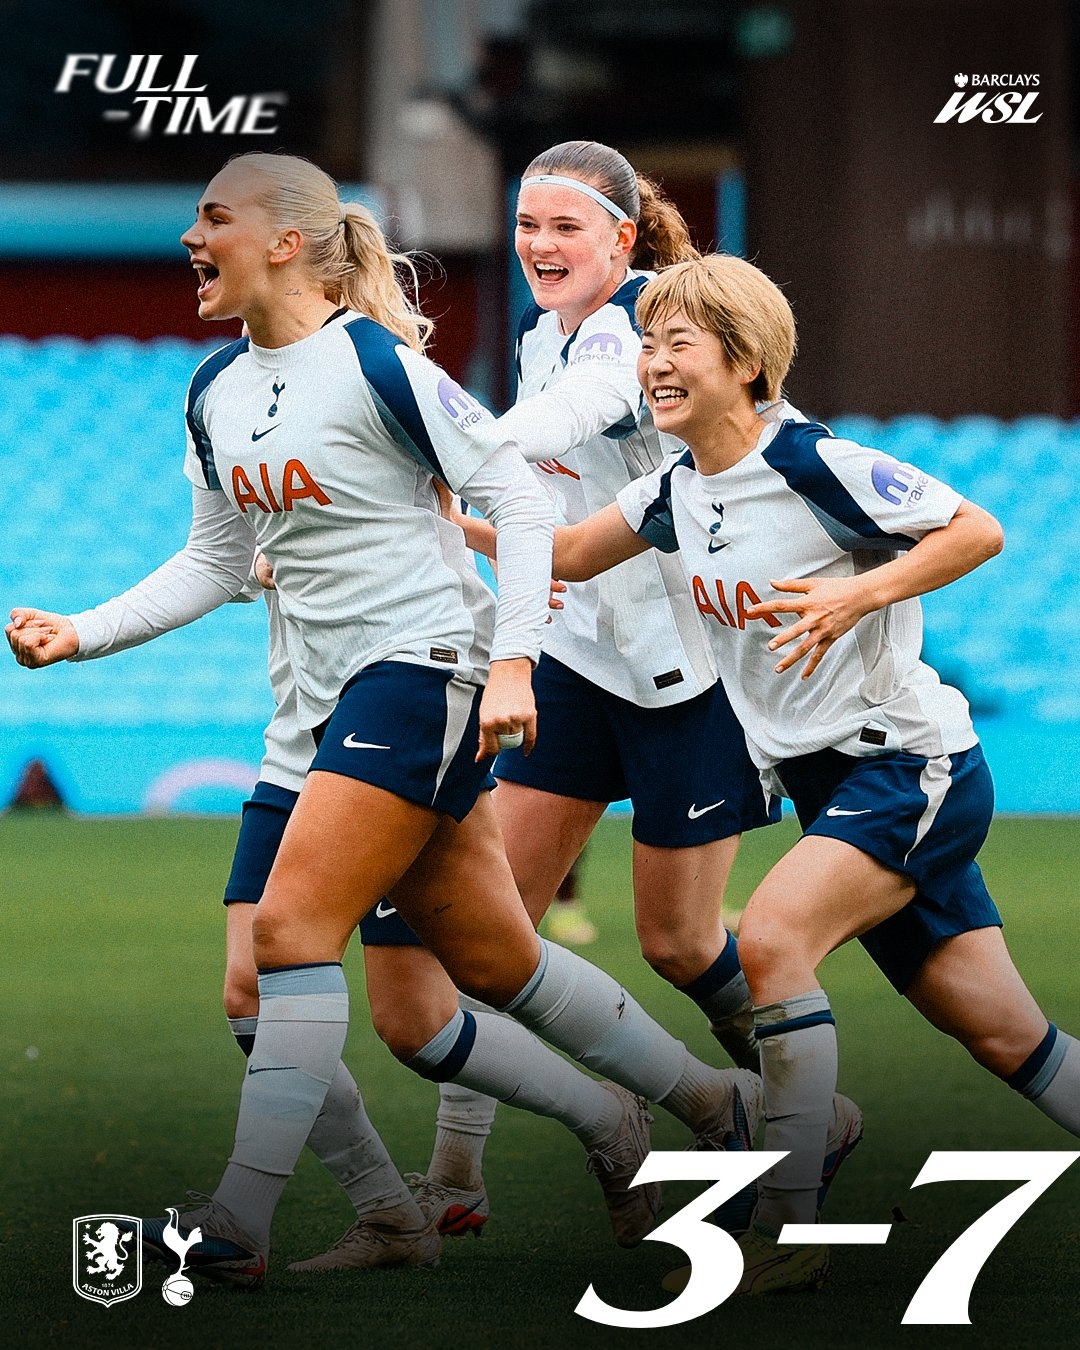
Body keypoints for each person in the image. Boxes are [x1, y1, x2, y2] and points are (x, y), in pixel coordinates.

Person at [6, 153, 762, 1286]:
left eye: (213, 217)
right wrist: (83, 630)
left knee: (291, 934)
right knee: (446, 971)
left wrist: (512, 663)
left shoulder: (381, 364)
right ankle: (683, 1110)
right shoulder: (212, 387)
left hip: (422, 671)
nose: (191, 239)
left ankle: (239, 1221)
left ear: (287, 242)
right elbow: (217, 558)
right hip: (310, 712)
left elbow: (514, 494)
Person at [530, 252, 1080, 1294]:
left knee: (775, 939)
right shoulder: (674, 486)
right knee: (1009, 1036)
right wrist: (423, 519)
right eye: (647, 344)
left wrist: (855, 596)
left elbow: (977, 529)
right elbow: (561, 556)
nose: (653, 363)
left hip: (909, 767)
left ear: (746, 361)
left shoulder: (813, 461)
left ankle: (790, 1224)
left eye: (678, 342)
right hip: (834, 787)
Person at [393, 140, 858, 1221]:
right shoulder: (538, 330)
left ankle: (803, 1119)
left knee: (679, 943)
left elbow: (577, 414)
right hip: (576, 660)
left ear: (622, 236)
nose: (540, 246)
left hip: (693, 675)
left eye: (565, 227)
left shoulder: (644, 326)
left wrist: (450, 456)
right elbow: (547, 510)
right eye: (527, 225)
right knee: (492, 928)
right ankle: (457, 1178)